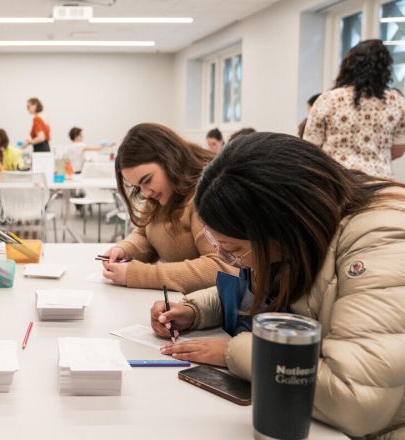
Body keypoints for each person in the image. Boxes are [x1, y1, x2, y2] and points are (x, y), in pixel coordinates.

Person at [151, 132, 405, 438]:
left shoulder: (381, 243)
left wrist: (235, 353)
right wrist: (194, 310)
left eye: (232, 249)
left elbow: (355, 401)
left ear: (279, 230)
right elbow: (267, 291)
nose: (227, 259)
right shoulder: (304, 230)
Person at [100, 123, 236, 293]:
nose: (146, 193)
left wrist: (140, 275)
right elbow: (146, 233)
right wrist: (124, 250)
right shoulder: (163, 192)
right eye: (137, 187)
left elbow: (223, 267)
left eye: (147, 180)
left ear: (169, 160)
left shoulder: (207, 193)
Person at [304, 39, 405, 178]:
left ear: (348, 65)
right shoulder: (397, 102)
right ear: (385, 69)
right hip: (379, 181)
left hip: (337, 179)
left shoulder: (328, 99)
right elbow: (398, 150)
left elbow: (311, 146)